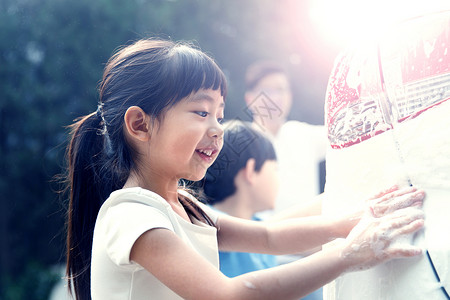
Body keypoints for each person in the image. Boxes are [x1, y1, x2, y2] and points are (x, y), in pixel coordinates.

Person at [64, 38, 426, 300]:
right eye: (201, 112)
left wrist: (356, 219)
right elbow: (229, 295)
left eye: (220, 115)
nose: (218, 129)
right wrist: (348, 256)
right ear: (140, 125)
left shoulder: (185, 207)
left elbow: (270, 236)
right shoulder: (131, 215)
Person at [244, 61, 327, 213]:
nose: (276, 98)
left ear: (290, 95)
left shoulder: (305, 134)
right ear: (250, 99)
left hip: (311, 232)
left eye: (281, 90)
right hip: (258, 233)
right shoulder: (238, 143)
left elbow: (347, 131)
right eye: (267, 91)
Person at [201, 120, 279, 277]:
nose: (279, 179)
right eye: (275, 169)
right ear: (251, 171)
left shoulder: (259, 224)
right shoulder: (206, 224)